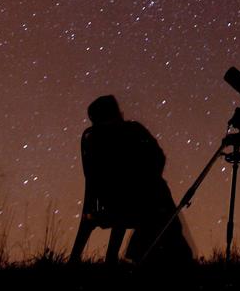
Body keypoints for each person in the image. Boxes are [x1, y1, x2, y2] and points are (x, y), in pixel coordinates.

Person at [69, 95, 193, 265]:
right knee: (159, 199)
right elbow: (157, 158)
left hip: (117, 199)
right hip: (132, 200)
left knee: (156, 196)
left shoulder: (94, 139)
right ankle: (164, 256)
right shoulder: (131, 131)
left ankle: (149, 254)